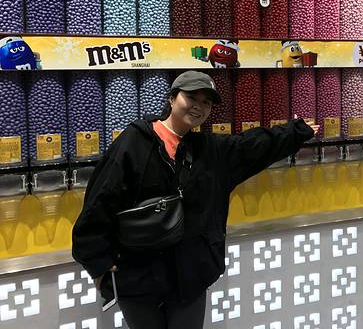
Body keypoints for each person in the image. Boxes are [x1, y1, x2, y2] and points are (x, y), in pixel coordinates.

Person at [72, 70, 318, 328]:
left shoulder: (209, 149)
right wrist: (98, 262)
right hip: (139, 276)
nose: (199, 106)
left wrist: (295, 132)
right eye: (191, 97)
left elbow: (252, 146)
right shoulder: (134, 142)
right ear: (171, 98)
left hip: (189, 277)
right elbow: (101, 200)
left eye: (206, 102)